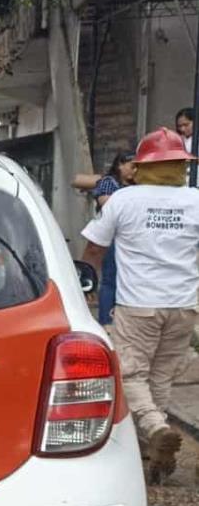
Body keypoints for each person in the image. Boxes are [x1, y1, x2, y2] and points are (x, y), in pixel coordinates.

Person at [80, 126, 199, 483]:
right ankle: (155, 444)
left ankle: (153, 427)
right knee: (162, 375)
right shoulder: (195, 200)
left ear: (142, 166)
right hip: (183, 305)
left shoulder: (123, 200)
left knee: (131, 372)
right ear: (182, 166)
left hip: (138, 303)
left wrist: (86, 284)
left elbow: (94, 249)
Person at [85, 151, 137, 327]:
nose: (135, 171)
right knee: (111, 280)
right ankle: (106, 321)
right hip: (112, 236)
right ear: (120, 165)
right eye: (132, 166)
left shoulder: (137, 185)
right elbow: (105, 203)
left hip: (132, 236)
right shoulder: (108, 182)